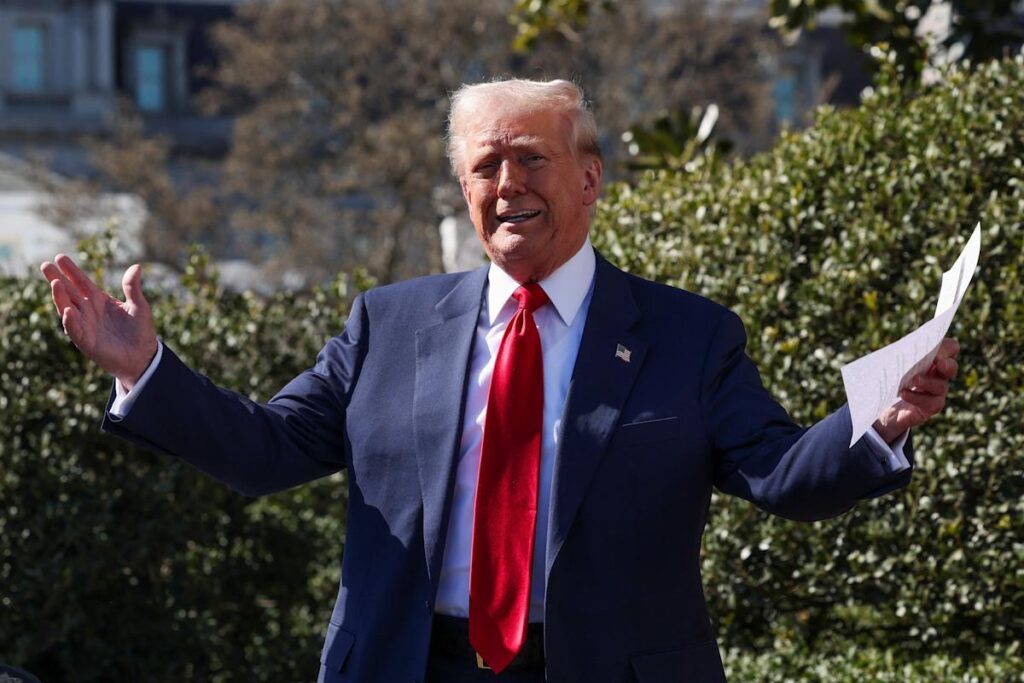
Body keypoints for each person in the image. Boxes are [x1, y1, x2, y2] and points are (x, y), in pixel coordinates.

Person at [40, 79, 959, 683]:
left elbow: (783, 474)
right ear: (464, 190)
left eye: (532, 159)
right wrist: (145, 370)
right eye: (485, 164)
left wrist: (879, 419)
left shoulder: (688, 336)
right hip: (411, 664)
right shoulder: (387, 324)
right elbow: (266, 451)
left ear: (590, 179)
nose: (508, 182)